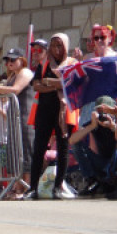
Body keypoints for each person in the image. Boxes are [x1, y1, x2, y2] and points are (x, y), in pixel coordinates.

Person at [28, 33, 78, 199]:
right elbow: (36, 85)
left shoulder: (71, 63)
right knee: (39, 148)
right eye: (53, 45)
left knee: (63, 148)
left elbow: (71, 83)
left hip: (64, 110)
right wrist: (57, 83)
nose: (56, 49)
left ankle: (58, 187)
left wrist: (48, 82)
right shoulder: (45, 64)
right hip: (44, 110)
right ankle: (32, 188)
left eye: (59, 45)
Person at [0, 48, 35, 192]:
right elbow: (4, 96)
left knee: (25, 153)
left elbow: (16, 90)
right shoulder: (12, 76)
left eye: (13, 59)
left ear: (21, 60)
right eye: (7, 60)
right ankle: (17, 188)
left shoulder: (25, 72)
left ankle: (27, 188)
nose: (9, 63)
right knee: (15, 154)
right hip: (13, 118)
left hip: (25, 117)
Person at [69, 95, 117, 197]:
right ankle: (91, 179)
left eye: (106, 110)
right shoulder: (95, 123)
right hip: (102, 161)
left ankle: (113, 180)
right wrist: (92, 126)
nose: (103, 114)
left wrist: (113, 127)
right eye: (100, 110)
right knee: (77, 144)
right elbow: (72, 140)